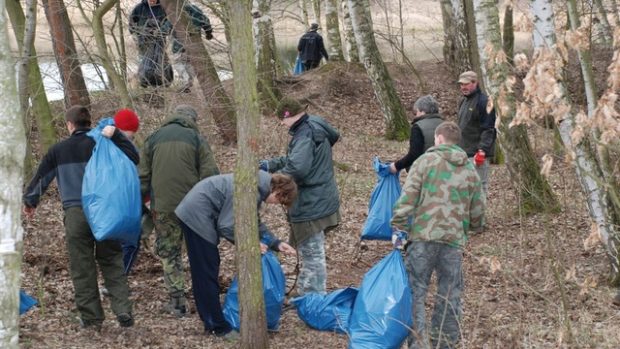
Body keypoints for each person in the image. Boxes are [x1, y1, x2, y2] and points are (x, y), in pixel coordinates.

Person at [23, 105, 138, 330]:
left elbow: (41, 178)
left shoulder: (58, 150)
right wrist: (116, 136)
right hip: (105, 211)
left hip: (75, 212)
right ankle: (123, 309)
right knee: (112, 260)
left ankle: (92, 318)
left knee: (82, 267)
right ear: (89, 123)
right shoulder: (103, 142)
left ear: (70, 125)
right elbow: (134, 157)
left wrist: (30, 201)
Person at [391, 121, 485, 349]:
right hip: (453, 241)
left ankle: (418, 343)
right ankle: (444, 342)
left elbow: (408, 199)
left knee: (416, 291)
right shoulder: (470, 168)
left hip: (423, 237)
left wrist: (398, 226)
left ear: (439, 139)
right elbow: (479, 208)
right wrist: (473, 226)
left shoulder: (424, 162)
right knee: (450, 294)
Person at [175, 171, 297, 339]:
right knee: (206, 271)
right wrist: (250, 244)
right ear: (277, 190)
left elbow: (252, 220)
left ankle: (212, 318)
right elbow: (226, 225)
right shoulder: (250, 188)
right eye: (279, 200)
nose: (275, 204)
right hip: (197, 215)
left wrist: (275, 243)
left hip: (198, 213)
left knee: (207, 268)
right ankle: (217, 326)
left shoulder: (256, 186)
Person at [139, 104, 219, 317]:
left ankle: (177, 302)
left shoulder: (153, 138)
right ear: (192, 119)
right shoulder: (196, 139)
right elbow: (210, 174)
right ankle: (204, 298)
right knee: (197, 252)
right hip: (193, 207)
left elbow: (143, 178)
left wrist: (141, 205)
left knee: (170, 252)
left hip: (163, 208)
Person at [261, 97, 340, 296]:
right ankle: (307, 291)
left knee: (312, 253)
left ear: (289, 116)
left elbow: (297, 168)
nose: (281, 123)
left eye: (282, 119)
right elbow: (297, 158)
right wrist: (271, 165)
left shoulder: (305, 133)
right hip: (322, 197)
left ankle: (313, 298)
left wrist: (271, 183)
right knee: (311, 250)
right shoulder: (314, 125)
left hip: (311, 202)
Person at [456, 70, 496, 200]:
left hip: (477, 155)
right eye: (461, 84)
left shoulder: (484, 101)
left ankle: (480, 219)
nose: (463, 87)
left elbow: (489, 129)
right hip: (464, 153)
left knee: (479, 187)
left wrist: (482, 151)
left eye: (466, 84)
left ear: (475, 83)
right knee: (465, 188)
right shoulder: (463, 101)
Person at [389, 95, 444, 174]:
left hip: (424, 172)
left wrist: (396, 166)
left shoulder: (418, 127)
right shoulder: (446, 124)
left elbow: (414, 154)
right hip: (444, 172)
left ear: (422, 111)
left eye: (416, 112)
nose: (415, 115)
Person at [171, 3, 214, 93]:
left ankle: (186, 81)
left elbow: (167, 26)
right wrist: (208, 32)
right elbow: (205, 20)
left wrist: (160, 33)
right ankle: (189, 82)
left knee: (178, 63)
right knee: (189, 63)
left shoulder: (175, 11)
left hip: (179, 45)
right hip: (193, 45)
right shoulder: (195, 10)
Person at [129, 0, 173, 88]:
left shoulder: (163, 8)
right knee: (144, 59)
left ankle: (160, 81)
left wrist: (162, 31)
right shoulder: (139, 8)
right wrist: (137, 32)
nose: (152, 1)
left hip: (159, 40)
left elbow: (170, 22)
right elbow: (132, 22)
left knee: (159, 59)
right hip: (144, 41)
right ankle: (145, 81)